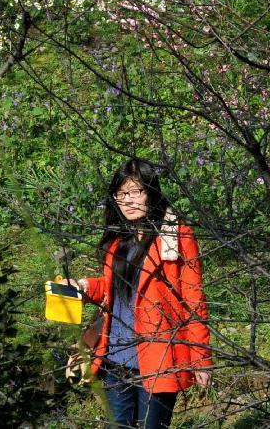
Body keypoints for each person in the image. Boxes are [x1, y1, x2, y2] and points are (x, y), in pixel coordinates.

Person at [71, 158, 213, 429]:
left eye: (136, 191)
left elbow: (194, 300)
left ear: (151, 192)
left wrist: (201, 358)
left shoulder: (175, 236)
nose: (128, 200)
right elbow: (116, 290)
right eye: (122, 194)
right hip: (115, 358)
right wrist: (84, 286)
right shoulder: (117, 241)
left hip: (158, 358)